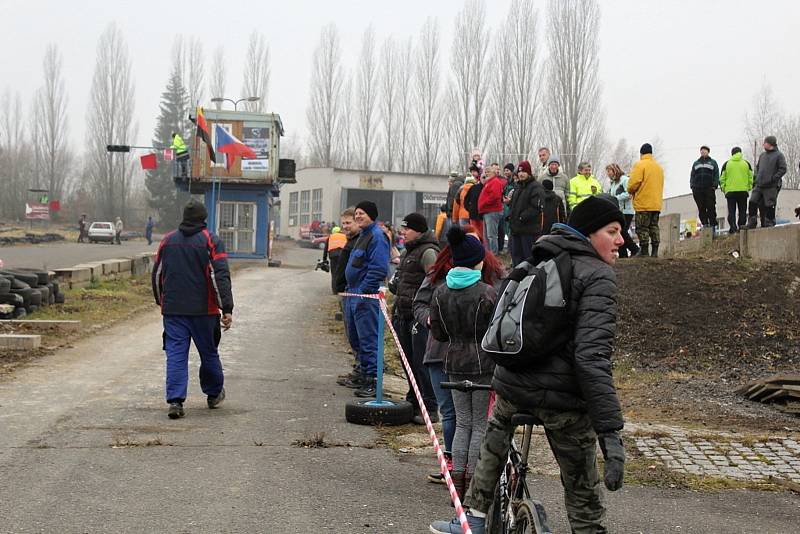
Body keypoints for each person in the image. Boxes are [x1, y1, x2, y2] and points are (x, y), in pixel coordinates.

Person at [430, 195, 627, 534]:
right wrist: (610, 432)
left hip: (512, 385)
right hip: (562, 399)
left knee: (494, 437)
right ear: (589, 233)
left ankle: (473, 519)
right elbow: (591, 358)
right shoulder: (597, 275)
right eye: (612, 231)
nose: (621, 240)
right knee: (582, 492)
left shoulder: (535, 259)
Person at [414, 225, 505, 485]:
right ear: (479, 261)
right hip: (481, 364)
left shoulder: (441, 291)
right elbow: (495, 330)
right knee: (479, 424)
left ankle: (456, 475)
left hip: (451, 361)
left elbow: (439, 334)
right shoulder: (488, 292)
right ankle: (475, 478)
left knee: (461, 423)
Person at [151, 199, 233, 420]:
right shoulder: (211, 241)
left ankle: (176, 401)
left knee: (176, 354)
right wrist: (226, 308)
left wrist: (162, 301)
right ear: (204, 218)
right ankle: (214, 394)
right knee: (208, 353)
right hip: (204, 311)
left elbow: (158, 274)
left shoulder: (167, 241)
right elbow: (219, 276)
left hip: (174, 311)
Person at [389, 213, 440, 424]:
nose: (403, 232)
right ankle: (413, 398)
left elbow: (435, 283)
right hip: (402, 314)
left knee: (420, 363)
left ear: (418, 230)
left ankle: (429, 407)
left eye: (407, 229)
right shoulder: (408, 251)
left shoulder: (428, 252)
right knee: (407, 361)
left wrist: (425, 312)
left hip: (418, 318)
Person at [343, 201, 390, 398]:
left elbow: (378, 268)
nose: (358, 217)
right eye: (357, 214)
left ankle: (372, 380)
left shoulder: (377, 237)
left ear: (372, 215)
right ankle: (362, 374)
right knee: (356, 338)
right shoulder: (363, 235)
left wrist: (363, 291)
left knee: (369, 339)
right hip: (353, 294)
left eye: (362, 213)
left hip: (365, 297)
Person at [627, 143, 665, 257]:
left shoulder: (640, 165)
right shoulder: (658, 167)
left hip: (644, 203)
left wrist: (630, 190)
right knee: (654, 227)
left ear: (641, 153)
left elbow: (633, 184)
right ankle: (655, 252)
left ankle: (644, 252)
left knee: (642, 228)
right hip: (656, 203)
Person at [508, 160, 544, 267]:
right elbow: (514, 206)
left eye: (523, 172)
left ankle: (528, 278)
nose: (521, 174)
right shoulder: (518, 187)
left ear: (529, 173)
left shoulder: (536, 187)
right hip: (516, 229)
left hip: (528, 230)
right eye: (519, 172)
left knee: (528, 257)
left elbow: (536, 207)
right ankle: (517, 277)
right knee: (516, 255)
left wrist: (521, 217)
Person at [747, 135, 787, 229]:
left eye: (765, 142)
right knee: (752, 201)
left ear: (770, 144)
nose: (763, 144)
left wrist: (774, 178)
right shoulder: (762, 155)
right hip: (759, 185)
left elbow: (783, 169)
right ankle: (752, 222)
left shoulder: (779, 155)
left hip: (771, 185)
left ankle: (769, 222)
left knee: (770, 205)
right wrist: (756, 179)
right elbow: (757, 168)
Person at [605, 163, 639, 257]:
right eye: (607, 171)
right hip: (618, 211)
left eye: (609, 171)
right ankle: (623, 254)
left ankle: (635, 249)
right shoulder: (613, 183)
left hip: (626, 210)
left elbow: (629, 194)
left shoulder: (624, 180)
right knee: (619, 232)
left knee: (622, 231)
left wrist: (616, 198)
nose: (608, 173)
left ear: (615, 170)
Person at [719, 147, 753, 234]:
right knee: (742, 210)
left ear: (732, 153)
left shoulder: (727, 164)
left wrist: (724, 188)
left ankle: (733, 227)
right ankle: (741, 227)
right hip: (743, 191)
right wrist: (749, 187)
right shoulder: (746, 164)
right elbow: (751, 177)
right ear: (740, 153)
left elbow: (722, 178)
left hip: (730, 192)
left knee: (731, 211)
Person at [690, 145, 720, 232]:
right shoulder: (696, 163)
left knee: (711, 206)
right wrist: (692, 185)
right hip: (698, 189)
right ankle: (705, 224)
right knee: (701, 207)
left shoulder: (713, 162)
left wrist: (714, 185)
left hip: (709, 188)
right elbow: (692, 175)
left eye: (705, 150)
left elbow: (716, 174)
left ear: (708, 152)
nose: (703, 152)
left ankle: (713, 224)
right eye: (701, 150)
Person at [478, 165, 505, 254]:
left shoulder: (495, 182)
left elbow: (495, 196)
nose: (486, 173)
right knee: (487, 235)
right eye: (485, 171)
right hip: (487, 211)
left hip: (492, 211)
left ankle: (493, 253)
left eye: (488, 171)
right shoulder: (489, 182)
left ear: (494, 172)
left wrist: (484, 203)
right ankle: (489, 254)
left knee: (491, 235)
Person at [498, 164, 515, 254]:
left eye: (508, 170)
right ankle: (509, 248)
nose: (506, 172)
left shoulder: (514, 182)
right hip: (505, 206)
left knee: (510, 228)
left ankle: (511, 248)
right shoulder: (506, 182)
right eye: (505, 170)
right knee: (505, 228)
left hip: (510, 207)